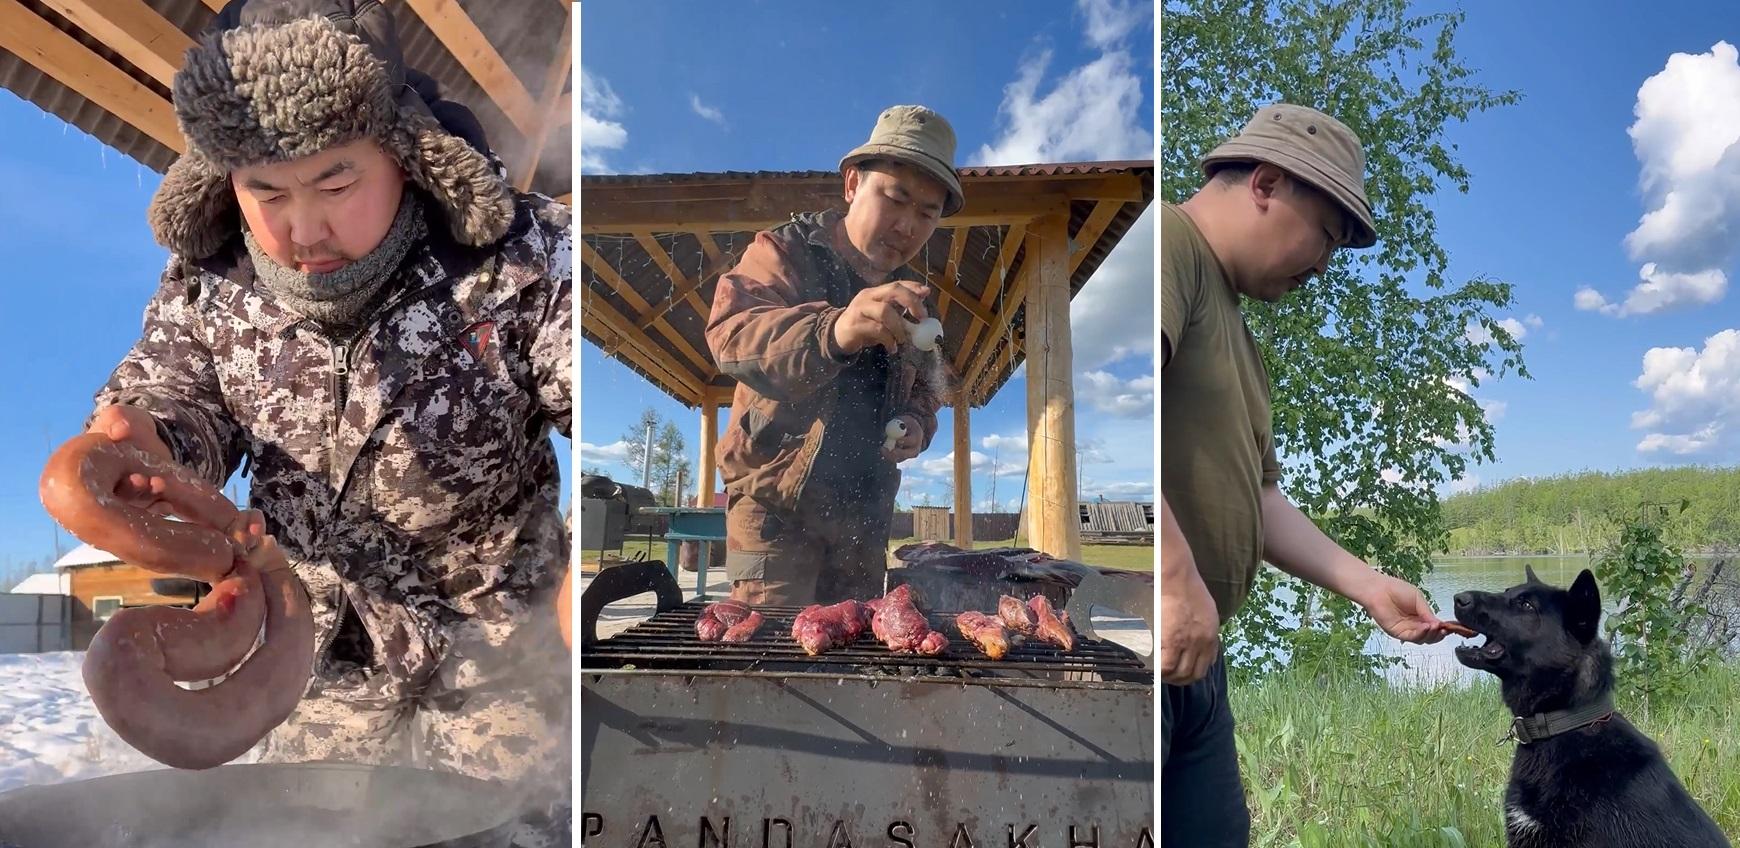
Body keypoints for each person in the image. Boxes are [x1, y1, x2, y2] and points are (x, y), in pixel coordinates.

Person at [80, 1, 571, 844]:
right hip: (310, 674)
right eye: (265, 191)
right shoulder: (209, 282)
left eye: (336, 182)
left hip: (503, 676)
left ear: (404, 153)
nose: (302, 228)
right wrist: (141, 442)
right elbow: (172, 397)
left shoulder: (526, 261)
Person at [1159, 102, 1452, 846]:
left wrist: (1369, 586)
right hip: (1150, 645)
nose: (1323, 266)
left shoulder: (1241, 338)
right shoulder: (1166, 243)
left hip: (1200, 665)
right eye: (1324, 234)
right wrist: (1169, 580)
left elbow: (1260, 497)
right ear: (1264, 182)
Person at [705, 105, 959, 607]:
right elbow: (731, 336)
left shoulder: (913, 301)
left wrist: (915, 423)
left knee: (851, 664)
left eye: (927, 214)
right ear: (852, 185)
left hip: (862, 518)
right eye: (897, 198)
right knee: (770, 659)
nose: (908, 226)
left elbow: (933, 389)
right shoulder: (785, 252)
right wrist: (833, 329)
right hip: (774, 513)